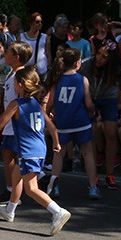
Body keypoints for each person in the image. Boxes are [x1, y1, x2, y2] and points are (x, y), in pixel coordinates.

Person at [0, 67, 71, 236]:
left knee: (31, 188)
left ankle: (58, 212)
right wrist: (56, 142)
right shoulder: (35, 103)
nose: (13, 85)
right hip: (39, 148)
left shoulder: (16, 104)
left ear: (20, 84)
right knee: (17, 175)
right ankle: (10, 209)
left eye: (15, 82)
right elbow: (51, 125)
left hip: (28, 150)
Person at [80, 40, 121, 190]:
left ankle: (110, 175)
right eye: (99, 54)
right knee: (94, 132)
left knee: (111, 133)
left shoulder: (115, 68)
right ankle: (93, 174)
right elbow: (70, 72)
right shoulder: (87, 64)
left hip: (109, 98)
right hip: (91, 99)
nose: (99, 58)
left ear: (110, 60)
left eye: (104, 57)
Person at [44, 48, 100, 200]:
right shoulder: (82, 79)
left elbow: (50, 103)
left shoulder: (57, 80)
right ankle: (93, 187)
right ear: (77, 62)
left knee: (58, 153)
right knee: (88, 152)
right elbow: (88, 103)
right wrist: (93, 111)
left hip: (63, 122)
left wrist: (48, 113)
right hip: (80, 121)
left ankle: (54, 186)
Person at [0, 41, 32, 205]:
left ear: (16, 57)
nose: (5, 53)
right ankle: (13, 190)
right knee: (11, 155)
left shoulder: (19, 76)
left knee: (10, 155)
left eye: (8, 51)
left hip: (15, 122)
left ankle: (12, 191)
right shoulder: (13, 73)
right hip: (12, 121)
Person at [18, 12, 48, 80]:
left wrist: (49, 66)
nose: (40, 24)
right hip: (27, 71)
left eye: (41, 21)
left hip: (42, 71)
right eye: (37, 22)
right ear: (31, 23)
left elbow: (48, 53)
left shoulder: (45, 37)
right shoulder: (21, 37)